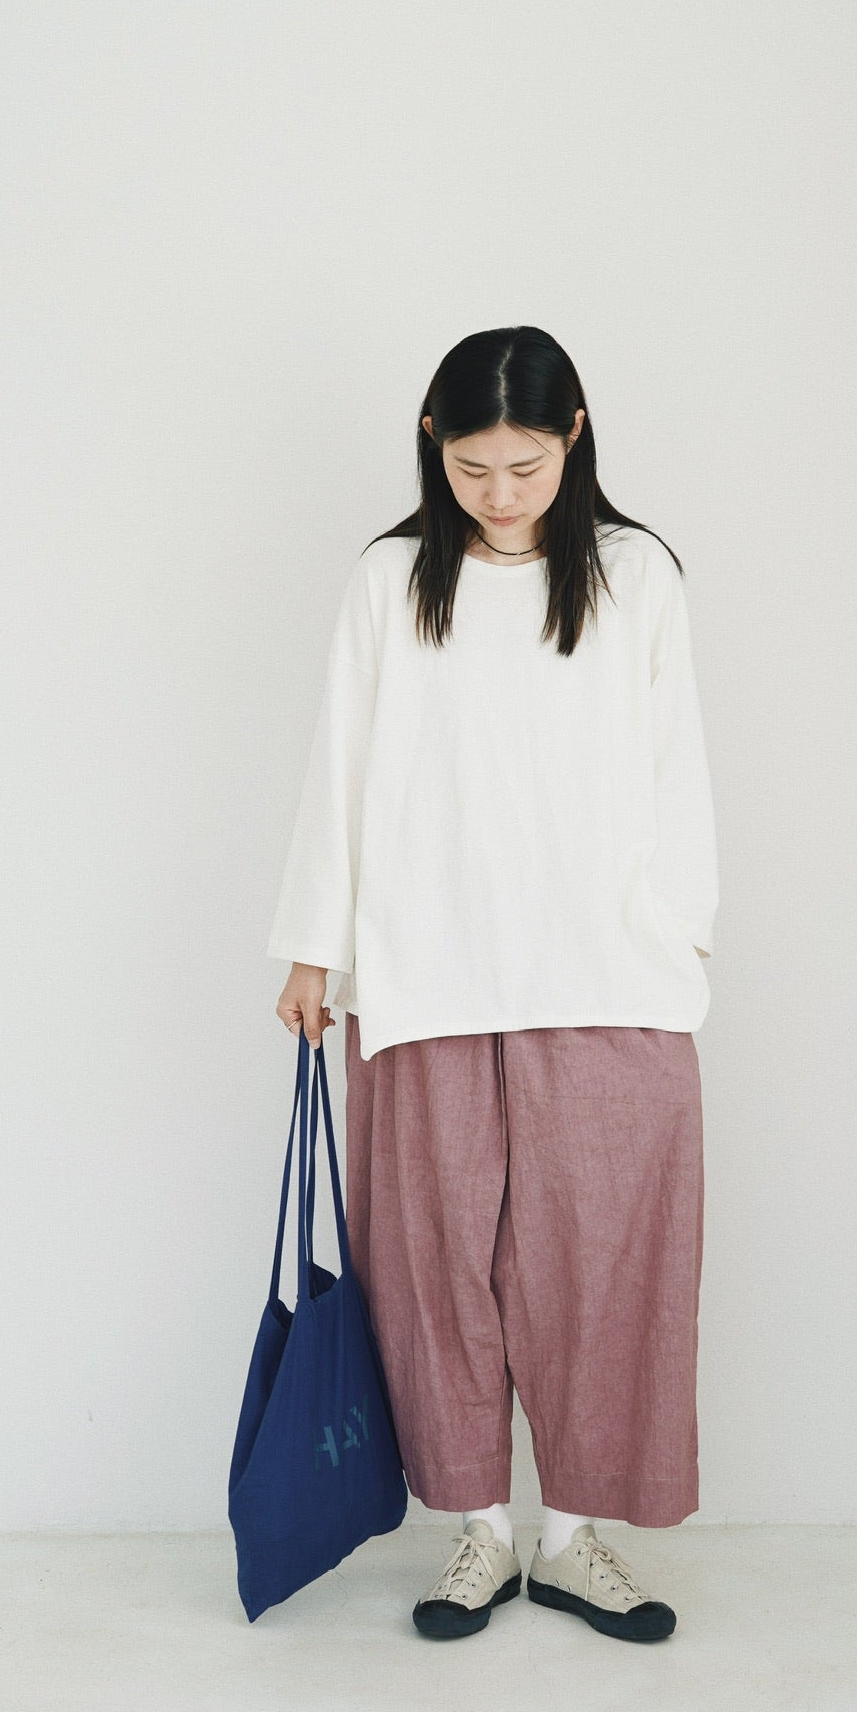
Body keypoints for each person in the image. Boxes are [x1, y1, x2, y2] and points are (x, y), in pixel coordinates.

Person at [267, 326, 718, 1644]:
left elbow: (678, 766)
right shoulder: (392, 579)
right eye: (473, 469)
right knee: (434, 1265)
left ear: (575, 436)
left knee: (602, 1265)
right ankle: (479, 1530)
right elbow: (341, 760)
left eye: (526, 466)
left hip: (606, 974)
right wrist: (315, 945)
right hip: (428, 968)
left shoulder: (636, 575)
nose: (502, 494)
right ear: (433, 446)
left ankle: (572, 1540)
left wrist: (676, 934)